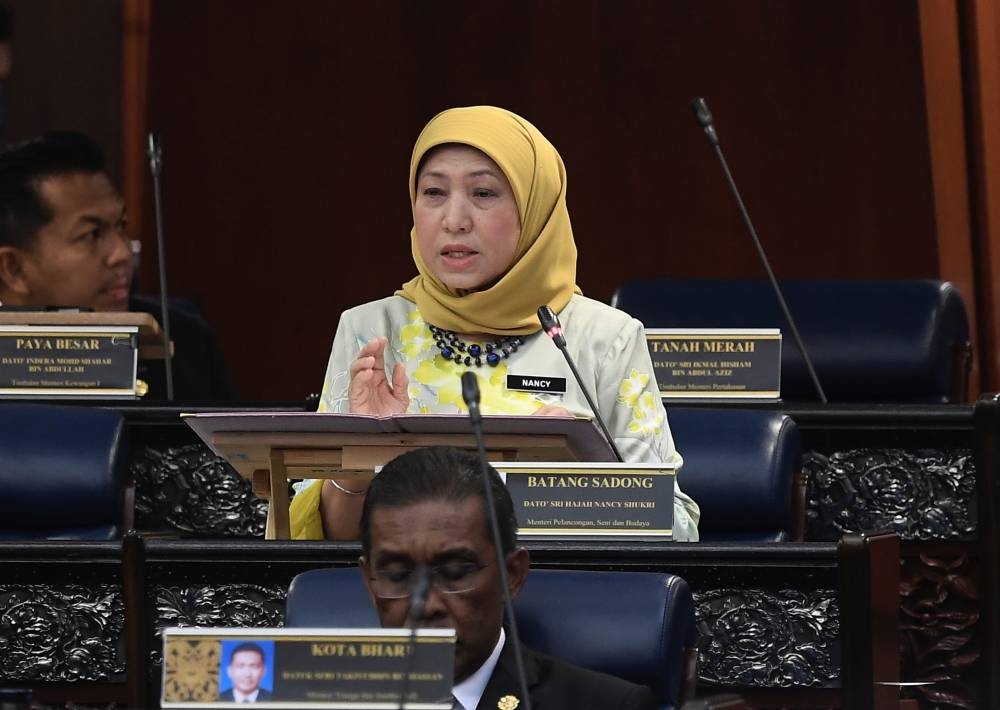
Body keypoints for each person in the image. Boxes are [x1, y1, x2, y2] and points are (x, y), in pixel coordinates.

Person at [290, 105, 698, 541]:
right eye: (433, 193)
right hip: (410, 600)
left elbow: (677, 529)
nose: (454, 220)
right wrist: (357, 464)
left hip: (564, 597)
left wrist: (575, 478)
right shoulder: (372, 330)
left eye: (483, 193)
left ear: (535, 207)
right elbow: (322, 545)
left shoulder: (603, 338)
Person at [359, 446, 658, 710]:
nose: (424, 606)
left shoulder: (608, 704)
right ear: (369, 582)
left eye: (455, 572)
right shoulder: (321, 700)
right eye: (397, 575)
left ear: (512, 575)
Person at [0, 131, 236, 400]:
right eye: (92, 235)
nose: (123, 253)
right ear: (14, 269)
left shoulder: (183, 340)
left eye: (121, 226)